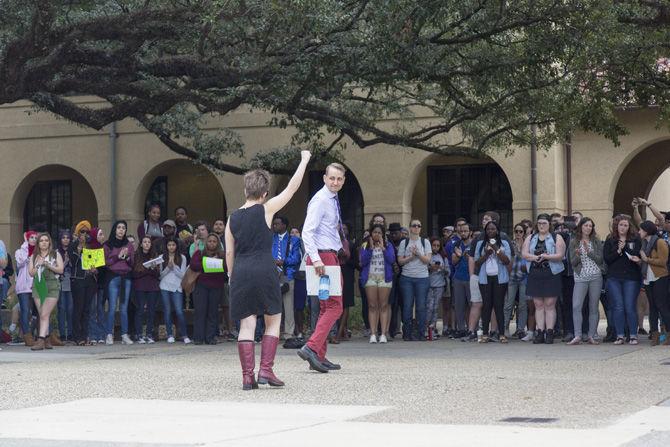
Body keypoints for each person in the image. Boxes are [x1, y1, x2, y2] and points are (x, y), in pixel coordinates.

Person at [226, 150, 310, 389]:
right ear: (264, 193)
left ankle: (246, 376)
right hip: (264, 269)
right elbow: (292, 189)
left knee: (247, 324)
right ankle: (266, 370)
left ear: (245, 190)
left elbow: (229, 252)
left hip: (241, 271)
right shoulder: (266, 209)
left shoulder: (232, 218)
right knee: (273, 320)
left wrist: (232, 276)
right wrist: (303, 159)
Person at [297, 161, 347, 374]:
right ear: (325, 178)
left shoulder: (331, 199)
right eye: (332, 178)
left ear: (343, 180)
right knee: (335, 306)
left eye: (339, 179)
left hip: (327, 255)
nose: (335, 182)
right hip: (323, 257)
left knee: (327, 307)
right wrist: (317, 260)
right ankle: (311, 347)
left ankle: (319, 355)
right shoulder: (320, 200)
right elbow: (307, 232)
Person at [522, 214, 566, 344]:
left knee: (550, 304)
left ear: (549, 225)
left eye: (544, 223)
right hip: (535, 272)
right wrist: (535, 257)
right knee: (538, 304)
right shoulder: (531, 237)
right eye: (540, 223)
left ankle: (550, 332)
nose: (541, 225)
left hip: (551, 272)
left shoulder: (556, 237)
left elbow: (560, 255)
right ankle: (540, 332)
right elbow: (524, 254)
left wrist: (546, 256)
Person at [604, 214, 642, 345]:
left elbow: (635, 255)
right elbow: (607, 259)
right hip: (614, 277)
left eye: (625, 225)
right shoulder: (610, 239)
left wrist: (625, 247)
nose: (623, 227)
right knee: (618, 307)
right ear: (616, 226)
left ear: (629, 227)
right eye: (621, 225)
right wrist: (619, 250)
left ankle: (633, 335)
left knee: (629, 306)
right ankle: (620, 335)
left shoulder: (635, 239)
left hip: (631, 277)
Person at [567, 218, 605, 345]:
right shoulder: (574, 242)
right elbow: (572, 262)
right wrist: (578, 255)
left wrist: (589, 253)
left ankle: (591, 335)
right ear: (581, 227)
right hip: (580, 277)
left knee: (593, 307)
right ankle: (577, 335)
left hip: (595, 276)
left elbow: (600, 260)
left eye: (590, 226)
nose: (588, 228)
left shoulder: (596, 241)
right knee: (576, 306)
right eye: (586, 225)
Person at [473, 221, 512, 343]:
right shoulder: (480, 243)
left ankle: (501, 334)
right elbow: (476, 262)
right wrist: (486, 254)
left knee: (498, 305)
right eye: (488, 229)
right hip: (485, 279)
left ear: (497, 230)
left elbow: (507, 261)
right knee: (486, 306)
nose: (490, 231)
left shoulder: (504, 243)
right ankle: (485, 334)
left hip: (500, 279)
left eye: (493, 229)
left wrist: (496, 249)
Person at [359, 223, 396, 343]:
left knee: (384, 305)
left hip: (384, 278)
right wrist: (370, 248)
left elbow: (391, 259)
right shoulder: (365, 245)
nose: (377, 234)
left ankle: (384, 334)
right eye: (375, 232)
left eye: (379, 233)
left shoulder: (388, 245)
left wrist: (383, 248)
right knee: (372, 305)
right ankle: (373, 334)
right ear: (371, 234)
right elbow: (363, 261)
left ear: (383, 234)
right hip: (370, 278)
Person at [28, 233, 64, 350]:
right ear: (38, 243)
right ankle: (47, 339)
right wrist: (38, 264)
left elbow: (60, 269)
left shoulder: (55, 254)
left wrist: (48, 265)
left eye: (46, 240)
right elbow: (31, 273)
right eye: (41, 240)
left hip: (52, 285)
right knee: (43, 315)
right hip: (38, 286)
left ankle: (40, 340)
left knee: (44, 314)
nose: (44, 242)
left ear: (49, 242)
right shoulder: (34, 256)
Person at [397, 219, 432, 341]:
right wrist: (411, 257)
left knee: (421, 306)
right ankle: (407, 332)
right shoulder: (404, 243)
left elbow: (428, 260)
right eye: (414, 225)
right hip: (407, 277)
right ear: (410, 228)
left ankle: (421, 333)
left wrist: (418, 254)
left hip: (422, 278)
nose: (416, 227)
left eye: (418, 225)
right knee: (407, 306)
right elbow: (400, 261)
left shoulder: (425, 242)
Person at [638, 221, 670, 346]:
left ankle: (668, 334)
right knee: (652, 307)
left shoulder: (660, 242)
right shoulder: (644, 243)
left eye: (641, 230)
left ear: (646, 230)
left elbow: (663, 261)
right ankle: (655, 335)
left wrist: (646, 259)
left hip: (660, 277)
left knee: (662, 306)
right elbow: (646, 262)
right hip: (648, 278)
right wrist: (640, 261)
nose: (639, 232)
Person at [190, 233, 226, 345]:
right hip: (201, 286)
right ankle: (198, 338)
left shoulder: (222, 254)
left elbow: (226, 267)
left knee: (213, 312)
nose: (212, 243)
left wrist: (216, 262)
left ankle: (210, 337)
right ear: (206, 242)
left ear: (218, 243)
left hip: (216, 286)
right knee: (200, 312)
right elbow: (193, 265)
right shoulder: (200, 253)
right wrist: (209, 262)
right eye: (209, 241)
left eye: (214, 241)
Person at [104, 221, 135, 345]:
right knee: (112, 307)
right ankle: (109, 335)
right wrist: (118, 256)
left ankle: (124, 335)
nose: (121, 230)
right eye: (119, 227)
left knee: (124, 308)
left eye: (123, 228)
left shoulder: (129, 245)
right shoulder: (107, 244)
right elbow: (105, 262)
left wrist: (127, 258)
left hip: (126, 278)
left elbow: (132, 262)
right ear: (114, 229)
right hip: (113, 278)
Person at [271, 215, 301, 340]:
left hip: (287, 274)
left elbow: (296, 258)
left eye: (277, 224)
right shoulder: (270, 238)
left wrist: (283, 262)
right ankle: (273, 333)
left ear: (284, 225)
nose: (274, 226)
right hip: (272, 275)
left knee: (288, 305)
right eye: (274, 224)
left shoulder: (293, 240)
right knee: (273, 306)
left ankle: (288, 333)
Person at [70, 225, 98, 346]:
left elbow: (96, 264)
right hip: (78, 280)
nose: (84, 234)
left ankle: (85, 336)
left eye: (87, 232)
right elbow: (73, 262)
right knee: (79, 308)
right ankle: (77, 336)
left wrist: (94, 269)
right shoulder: (73, 246)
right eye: (82, 232)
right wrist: (79, 248)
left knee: (87, 309)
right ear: (78, 233)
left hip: (89, 280)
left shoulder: (91, 246)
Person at [159, 236, 191, 344]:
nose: (171, 247)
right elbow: (160, 275)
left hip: (177, 286)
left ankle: (184, 334)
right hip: (164, 286)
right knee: (167, 311)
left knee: (179, 311)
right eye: (169, 245)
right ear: (166, 246)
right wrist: (168, 267)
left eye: (173, 245)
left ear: (176, 246)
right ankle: (169, 334)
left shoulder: (182, 257)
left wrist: (174, 267)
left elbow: (183, 275)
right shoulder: (161, 257)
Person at [133, 235, 160, 343]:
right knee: (140, 310)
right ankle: (139, 334)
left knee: (151, 311)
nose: (147, 244)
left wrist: (151, 269)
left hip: (152, 287)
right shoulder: (136, 256)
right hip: (140, 286)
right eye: (144, 242)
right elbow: (135, 273)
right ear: (141, 244)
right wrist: (147, 270)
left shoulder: (154, 256)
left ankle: (149, 334)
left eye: (149, 242)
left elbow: (157, 274)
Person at [448, 223, 473, 340]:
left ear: (470, 232)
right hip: (458, 278)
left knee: (472, 305)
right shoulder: (457, 244)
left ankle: (472, 329)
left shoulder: (474, 244)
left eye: (465, 231)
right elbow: (453, 262)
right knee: (459, 306)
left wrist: (470, 259)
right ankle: (461, 329)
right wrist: (458, 256)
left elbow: (478, 261)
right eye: (461, 231)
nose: (463, 233)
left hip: (471, 278)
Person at [504, 223, 529, 338]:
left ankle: (520, 329)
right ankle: (504, 328)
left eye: (521, 231)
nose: (518, 234)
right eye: (516, 231)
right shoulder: (511, 244)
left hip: (524, 278)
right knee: (509, 304)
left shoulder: (527, 244)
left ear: (524, 232)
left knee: (523, 305)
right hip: (512, 277)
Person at [15, 231, 38, 346]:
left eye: (35, 238)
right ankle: (27, 336)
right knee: (25, 311)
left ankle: (37, 334)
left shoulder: (39, 252)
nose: (33, 239)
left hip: (36, 285)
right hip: (24, 286)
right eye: (31, 237)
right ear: (27, 239)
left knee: (38, 311)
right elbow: (21, 262)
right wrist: (26, 246)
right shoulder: (19, 252)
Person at [427, 237, 449, 340]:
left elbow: (448, 271)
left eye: (438, 245)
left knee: (435, 307)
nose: (435, 247)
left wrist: (442, 269)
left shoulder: (443, 257)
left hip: (440, 285)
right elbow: (422, 268)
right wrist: (430, 268)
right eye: (433, 245)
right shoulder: (427, 255)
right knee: (429, 306)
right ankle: (426, 327)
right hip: (429, 284)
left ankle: (433, 327)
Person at [56, 230, 74, 344]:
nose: (66, 239)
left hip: (71, 281)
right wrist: (66, 261)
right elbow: (57, 267)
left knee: (71, 309)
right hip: (61, 282)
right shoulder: (57, 252)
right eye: (63, 237)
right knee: (61, 308)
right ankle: (62, 334)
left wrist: (70, 260)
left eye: (68, 237)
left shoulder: (73, 250)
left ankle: (71, 333)